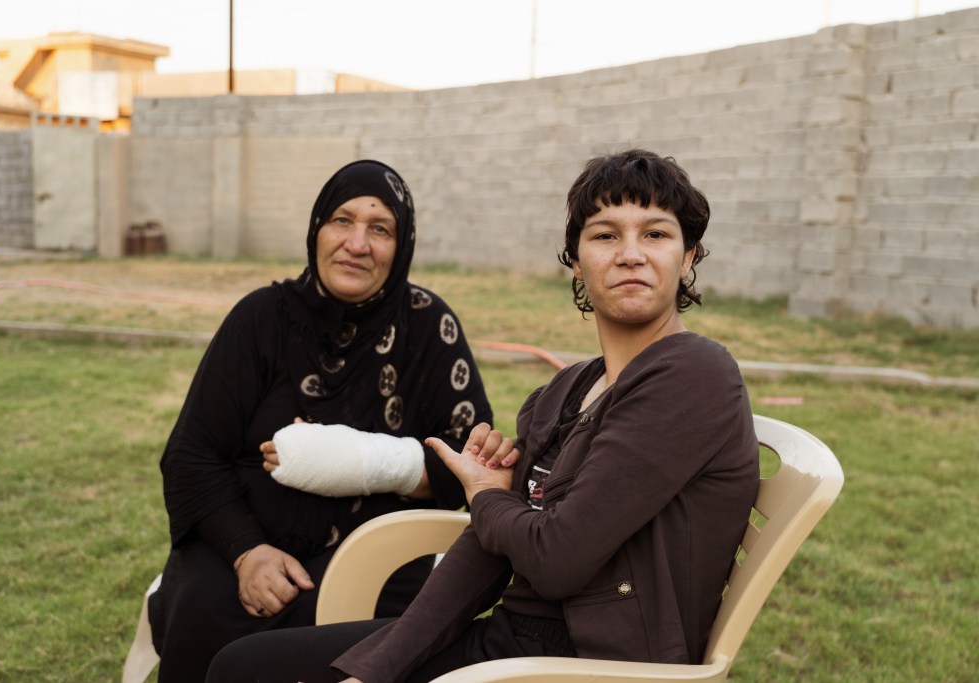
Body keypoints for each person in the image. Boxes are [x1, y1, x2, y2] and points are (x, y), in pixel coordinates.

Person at [205, 148, 761, 683]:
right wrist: (372, 671)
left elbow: (556, 559)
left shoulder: (693, 374)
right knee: (242, 665)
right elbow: (483, 552)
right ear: (576, 261)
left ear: (688, 255)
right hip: (508, 644)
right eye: (605, 235)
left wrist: (488, 496)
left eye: (656, 234)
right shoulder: (568, 388)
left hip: (587, 667)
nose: (631, 254)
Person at [148, 159, 496, 682]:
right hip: (241, 538)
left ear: (402, 247)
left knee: (363, 641)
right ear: (316, 229)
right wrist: (248, 555)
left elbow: (469, 464)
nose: (357, 243)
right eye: (342, 220)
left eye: (380, 229)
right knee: (201, 612)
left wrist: (370, 464)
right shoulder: (260, 318)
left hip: (376, 553)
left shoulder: (428, 327)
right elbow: (191, 456)